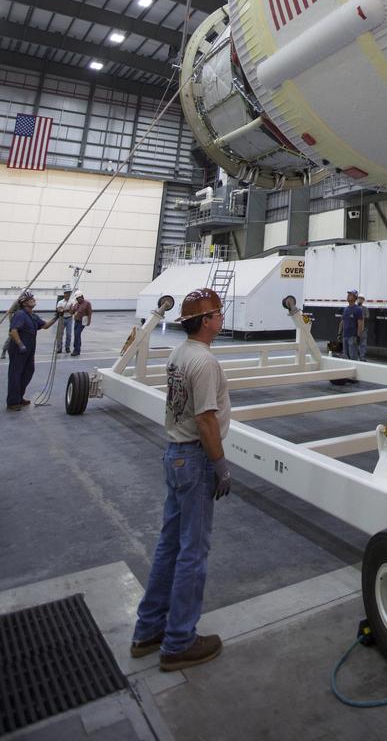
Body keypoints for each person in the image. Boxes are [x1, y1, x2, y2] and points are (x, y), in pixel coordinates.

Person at [131, 288, 232, 672]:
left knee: (169, 546)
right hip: (195, 459)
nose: (222, 319)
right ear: (205, 321)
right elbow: (206, 418)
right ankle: (179, 641)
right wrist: (220, 464)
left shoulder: (178, 353)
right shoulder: (205, 363)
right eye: (218, 314)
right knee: (193, 552)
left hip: (175, 456)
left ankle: (148, 630)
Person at [6, 291, 58, 411]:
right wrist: (20, 345)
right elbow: (13, 331)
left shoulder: (33, 316)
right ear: (24, 303)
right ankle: (12, 402)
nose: (34, 300)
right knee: (15, 375)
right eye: (31, 299)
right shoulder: (20, 314)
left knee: (28, 372)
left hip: (29, 351)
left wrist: (57, 316)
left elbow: (45, 326)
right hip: (18, 350)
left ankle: (19, 397)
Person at [340, 289, 364, 362]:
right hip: (345, 336)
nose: (348, 296)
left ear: (354, 298)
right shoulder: (345, 309)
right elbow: (342, 321)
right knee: (345, 357)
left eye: (350, 295)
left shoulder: (358, 310)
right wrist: (339, 333)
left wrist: (358, 336)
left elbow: (360, 323)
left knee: (353, 357)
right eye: (348, 294)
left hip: (352, 337)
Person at [70, 290, 93, 357]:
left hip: (82, 322)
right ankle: (77, 349)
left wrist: (89, 321)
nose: (77, 299)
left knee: (77, 334)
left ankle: (76, 350)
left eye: (78, 298)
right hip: (76, 320)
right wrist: (72, 306)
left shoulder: (87, 303)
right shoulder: (76, 304)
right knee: (76, 335)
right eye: (76, 298)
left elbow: (89, 313)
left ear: (82, 297)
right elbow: (72, 312)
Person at [56, 286, 74, 354]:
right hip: (62, 318)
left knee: (69, 334)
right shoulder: (60, 302)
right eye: (66, 293)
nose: (67, 294)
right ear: (64, 294)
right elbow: (59, 311)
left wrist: (64, 310)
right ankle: (59, 348)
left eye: (69, 293)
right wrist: (67, 310)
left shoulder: (72, 301)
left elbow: (72, 311)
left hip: (69, 318)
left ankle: (67, 347)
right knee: (59, 334)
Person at [357, 294, 368, 361]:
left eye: (361, 299)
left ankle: (362, 356)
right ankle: (354, 356)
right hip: (356, 328)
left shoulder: (365, 309)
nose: (360, 300)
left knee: (363, 343)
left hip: (363, 329)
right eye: (359, 298)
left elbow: (367, 317)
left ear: (363, 300)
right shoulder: (354, 308)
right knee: (354, 343)